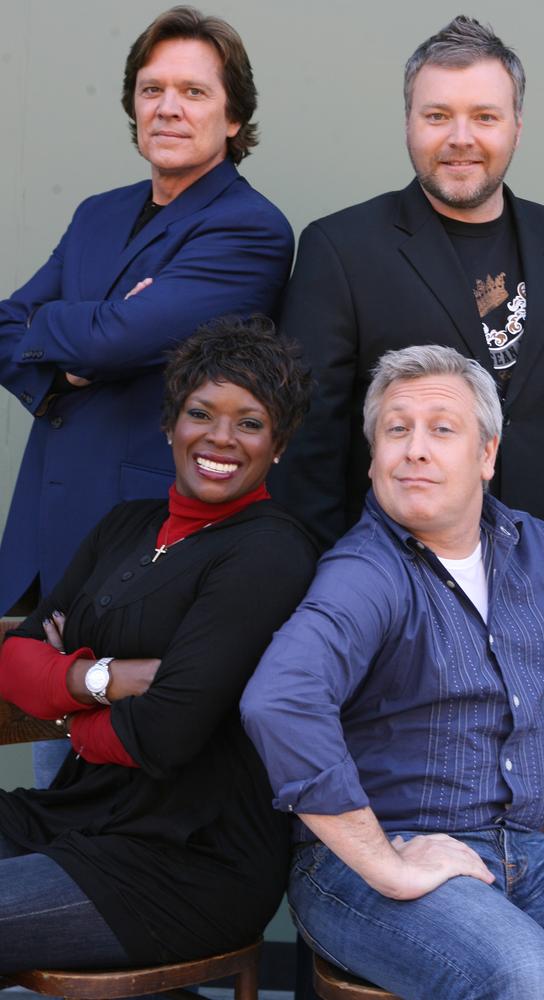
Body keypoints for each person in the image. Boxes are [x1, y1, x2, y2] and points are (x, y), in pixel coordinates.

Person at [243, 344, 544, 1000]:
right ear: (374, 457)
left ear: (486, 455)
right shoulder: (365, 572)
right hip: (365, 871)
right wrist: (387, 863)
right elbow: (281, 699)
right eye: (396, 429)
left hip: (527, 861)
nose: (415, 449)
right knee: (518, 973)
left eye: (442, 428)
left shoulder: (536, 551)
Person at [0, 4, 294, 787]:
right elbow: (10, 326)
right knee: (46, 769)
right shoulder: (97, 215)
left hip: (146, 560)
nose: (168, 107)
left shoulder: (251, 229)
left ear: (234, 116)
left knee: (117, 783)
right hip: (49, 537)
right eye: (151, 88)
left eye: (194, 92)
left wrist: (81, 332)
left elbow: (119, 340)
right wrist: (74, 351)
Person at [271, 15, 544, 593]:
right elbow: (306, 449)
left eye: (485, 117)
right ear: (408, 124)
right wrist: (330, 595)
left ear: (516, 126)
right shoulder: (340, 250)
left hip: (540, 593)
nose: (460, 138)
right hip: (390, 596)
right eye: (438, 115)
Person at [0, 316, 316, 972]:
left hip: (183, 864)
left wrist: (67, 700)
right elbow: (13, 660)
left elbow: (170, 733)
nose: (221, 438)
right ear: (170, 423)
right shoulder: (126, 525)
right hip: (76, 814)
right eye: (202, 412)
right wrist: (104, 682)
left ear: (278, 445)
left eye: (250, 422)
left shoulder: (271, 552)